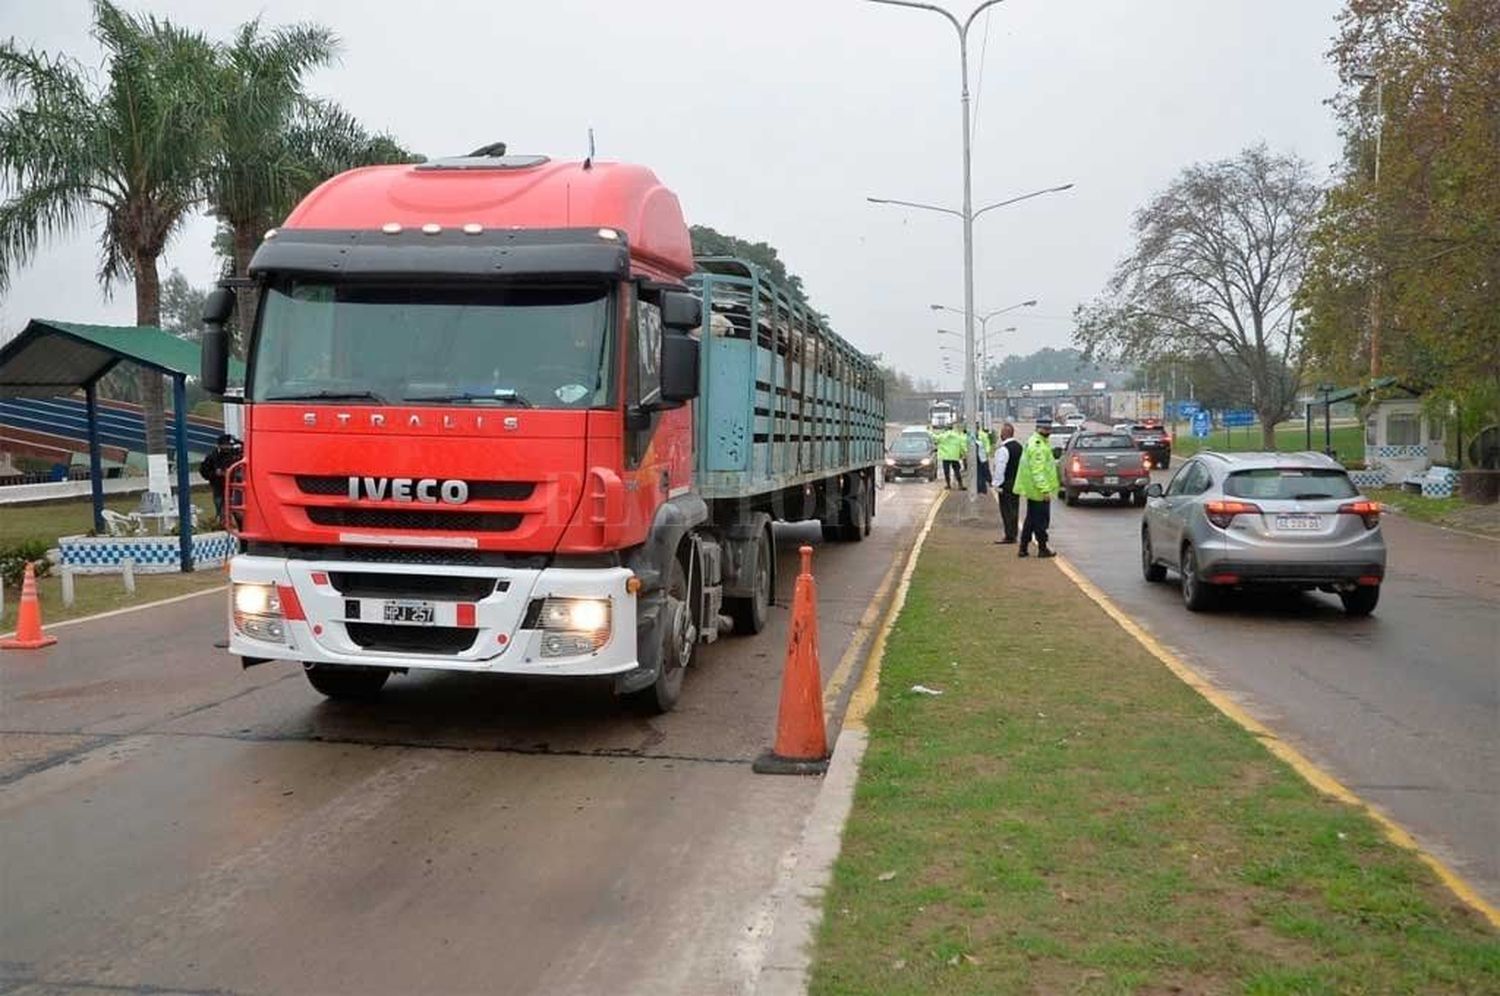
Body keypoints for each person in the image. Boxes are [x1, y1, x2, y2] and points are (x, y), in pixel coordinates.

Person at [1013, 418, 1060, 558]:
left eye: (1049, 429)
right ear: (1038, 428)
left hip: (1032, 490)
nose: (1048, 432)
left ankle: (1023, 547)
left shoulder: (1035, 442)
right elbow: (1038, 471)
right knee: (1041, 521)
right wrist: (1045, 490)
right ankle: (1042, 548)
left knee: (1031, 520)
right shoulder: (1038, 446)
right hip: (1039, 491)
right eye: (1045, 429)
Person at [991, 422, 1024, 544]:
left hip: (1006, 483)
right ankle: (1013, 533)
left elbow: (1000, 468)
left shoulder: (1003, 449)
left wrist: (996, 484)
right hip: (1017, 481)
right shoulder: (1020, 447)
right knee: (1014, 508)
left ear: (1004, 434)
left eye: (1002, 432)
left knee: (1006, 510)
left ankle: (1009, 535)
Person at [199, 433, 242, 523]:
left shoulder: (236, 453)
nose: (228, 447)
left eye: (229, 445)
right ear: (220, 445)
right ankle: (224, 523)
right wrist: (215, 474)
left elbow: (247, 448)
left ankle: (233, 524)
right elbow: (204, 471)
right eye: (225, 445)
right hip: (219, 486)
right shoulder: (213, 457)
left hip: (234, 487)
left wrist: (238, 441)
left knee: (236, 508)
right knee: (220, 507)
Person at [936, 425, 966, 489]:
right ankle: (960, 484)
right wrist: (963, 453)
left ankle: (948, 484)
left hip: (945, 456)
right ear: (952, 428)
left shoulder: (942, 436)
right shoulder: (957, 436)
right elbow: (961, 445)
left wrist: (928, 431)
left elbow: (935, 439)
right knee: (957, 470)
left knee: (946, 471)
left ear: (946, 429)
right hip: (954, 456)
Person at [973, 425, 992, 494]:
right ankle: (980, 488)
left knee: (985, 471)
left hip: (982, 456)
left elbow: (987, 444)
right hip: (975, 458)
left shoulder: (983, 435)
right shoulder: (971, 435)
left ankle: (989, 482)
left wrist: (987, 452)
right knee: (978, 473)